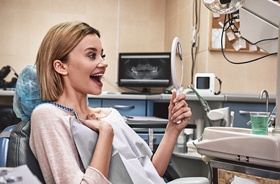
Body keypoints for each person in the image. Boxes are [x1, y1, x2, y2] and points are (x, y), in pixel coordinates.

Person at [28, 21, 192, 184]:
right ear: (61, 66)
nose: (104, 63)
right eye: (92, 55)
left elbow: (149, 174)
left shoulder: (112, 115)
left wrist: (172, 129)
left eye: (102, 55)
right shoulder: (49, 116)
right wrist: (105, 135)